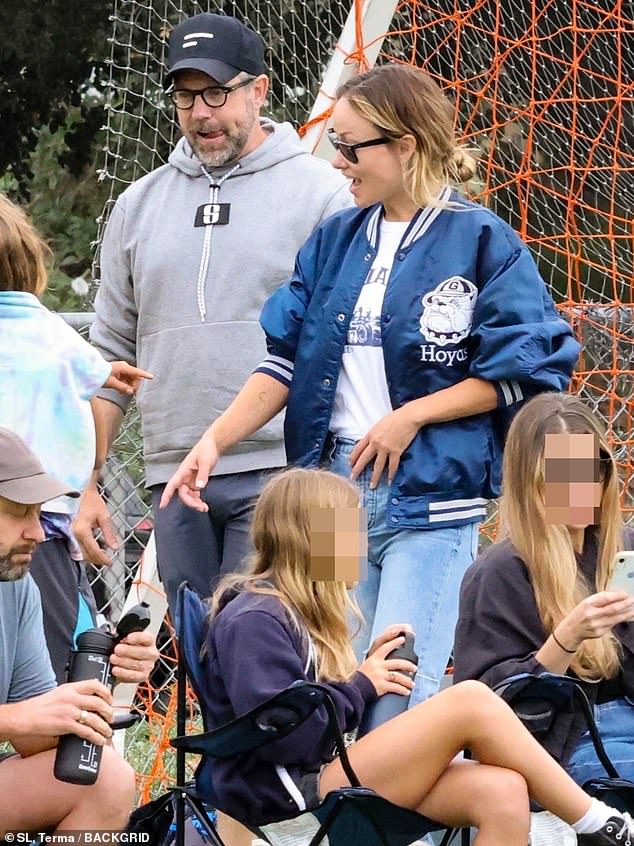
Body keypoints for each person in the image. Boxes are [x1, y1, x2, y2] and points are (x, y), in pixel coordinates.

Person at [161, 63, 581, 705]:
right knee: (340, 689)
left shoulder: (482, 240)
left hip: (430, 500)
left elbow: (527, 374)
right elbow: (283, 364)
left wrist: (410, 416)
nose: (338, 163)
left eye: (351, 148)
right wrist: (213, 441)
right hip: (334, 500)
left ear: (405, 145)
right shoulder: (335, 238)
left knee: (402, 702)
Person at [76, 11, 352, 615]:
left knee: (282, 656)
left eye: (217, 93)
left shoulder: (323, 193)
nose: (201, 112)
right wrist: (88, 482)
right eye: (185, 95)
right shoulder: (137, 205)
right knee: (206, 661)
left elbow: (344, 340)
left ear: (259, 90)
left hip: (293, 469)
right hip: (173, 473)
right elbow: (109, 355)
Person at [201, 466, 633, 845]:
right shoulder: (255, 618)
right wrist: (360, 687)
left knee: (502, 793)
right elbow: (285, 735)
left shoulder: (287, 613)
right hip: (286, 799)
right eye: (352, 529)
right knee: (469, 700)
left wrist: (363, 677)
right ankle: (597, 822)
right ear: (309, 539)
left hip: (319, 775)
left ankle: (596, 823)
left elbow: (301, 710)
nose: (362, 543)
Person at [0, 193, 152, 682]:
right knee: (70, 662)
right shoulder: (51, 332)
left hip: (28, 522)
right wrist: (90, 476)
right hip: (47, 519)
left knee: (51, 667)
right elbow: (100, 384)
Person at [453, 392, 634, 788]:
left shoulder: (624, 548)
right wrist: (566, 639)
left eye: (590, 471)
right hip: (567, 745)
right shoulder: (499, 573)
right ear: (529, 481)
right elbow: (484, 712)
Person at [0, 428, 159, 834]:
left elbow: (35, 740)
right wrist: (13, 718)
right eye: (20, 512)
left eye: (39, 513)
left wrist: (105, 677)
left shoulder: (16, 588)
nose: (38, 532)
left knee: (105, 780)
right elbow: (20, 721)